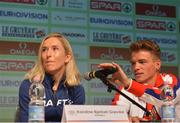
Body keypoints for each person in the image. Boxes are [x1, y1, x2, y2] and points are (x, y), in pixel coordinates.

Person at [98, 40, 180, 122]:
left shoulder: (170, 80)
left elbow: (166, 99)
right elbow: (114, 117)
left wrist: (128, 83)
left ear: (157, 65)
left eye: (142, 62)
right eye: (133, 63)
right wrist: (127, 120)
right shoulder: (125, 89)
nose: (136, 67)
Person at [18, 33, 85, 122]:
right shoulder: (29, 85)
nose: (48, 54)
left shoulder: (76, 89)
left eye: (55, 49)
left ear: (67, 57)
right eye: (44, 50)